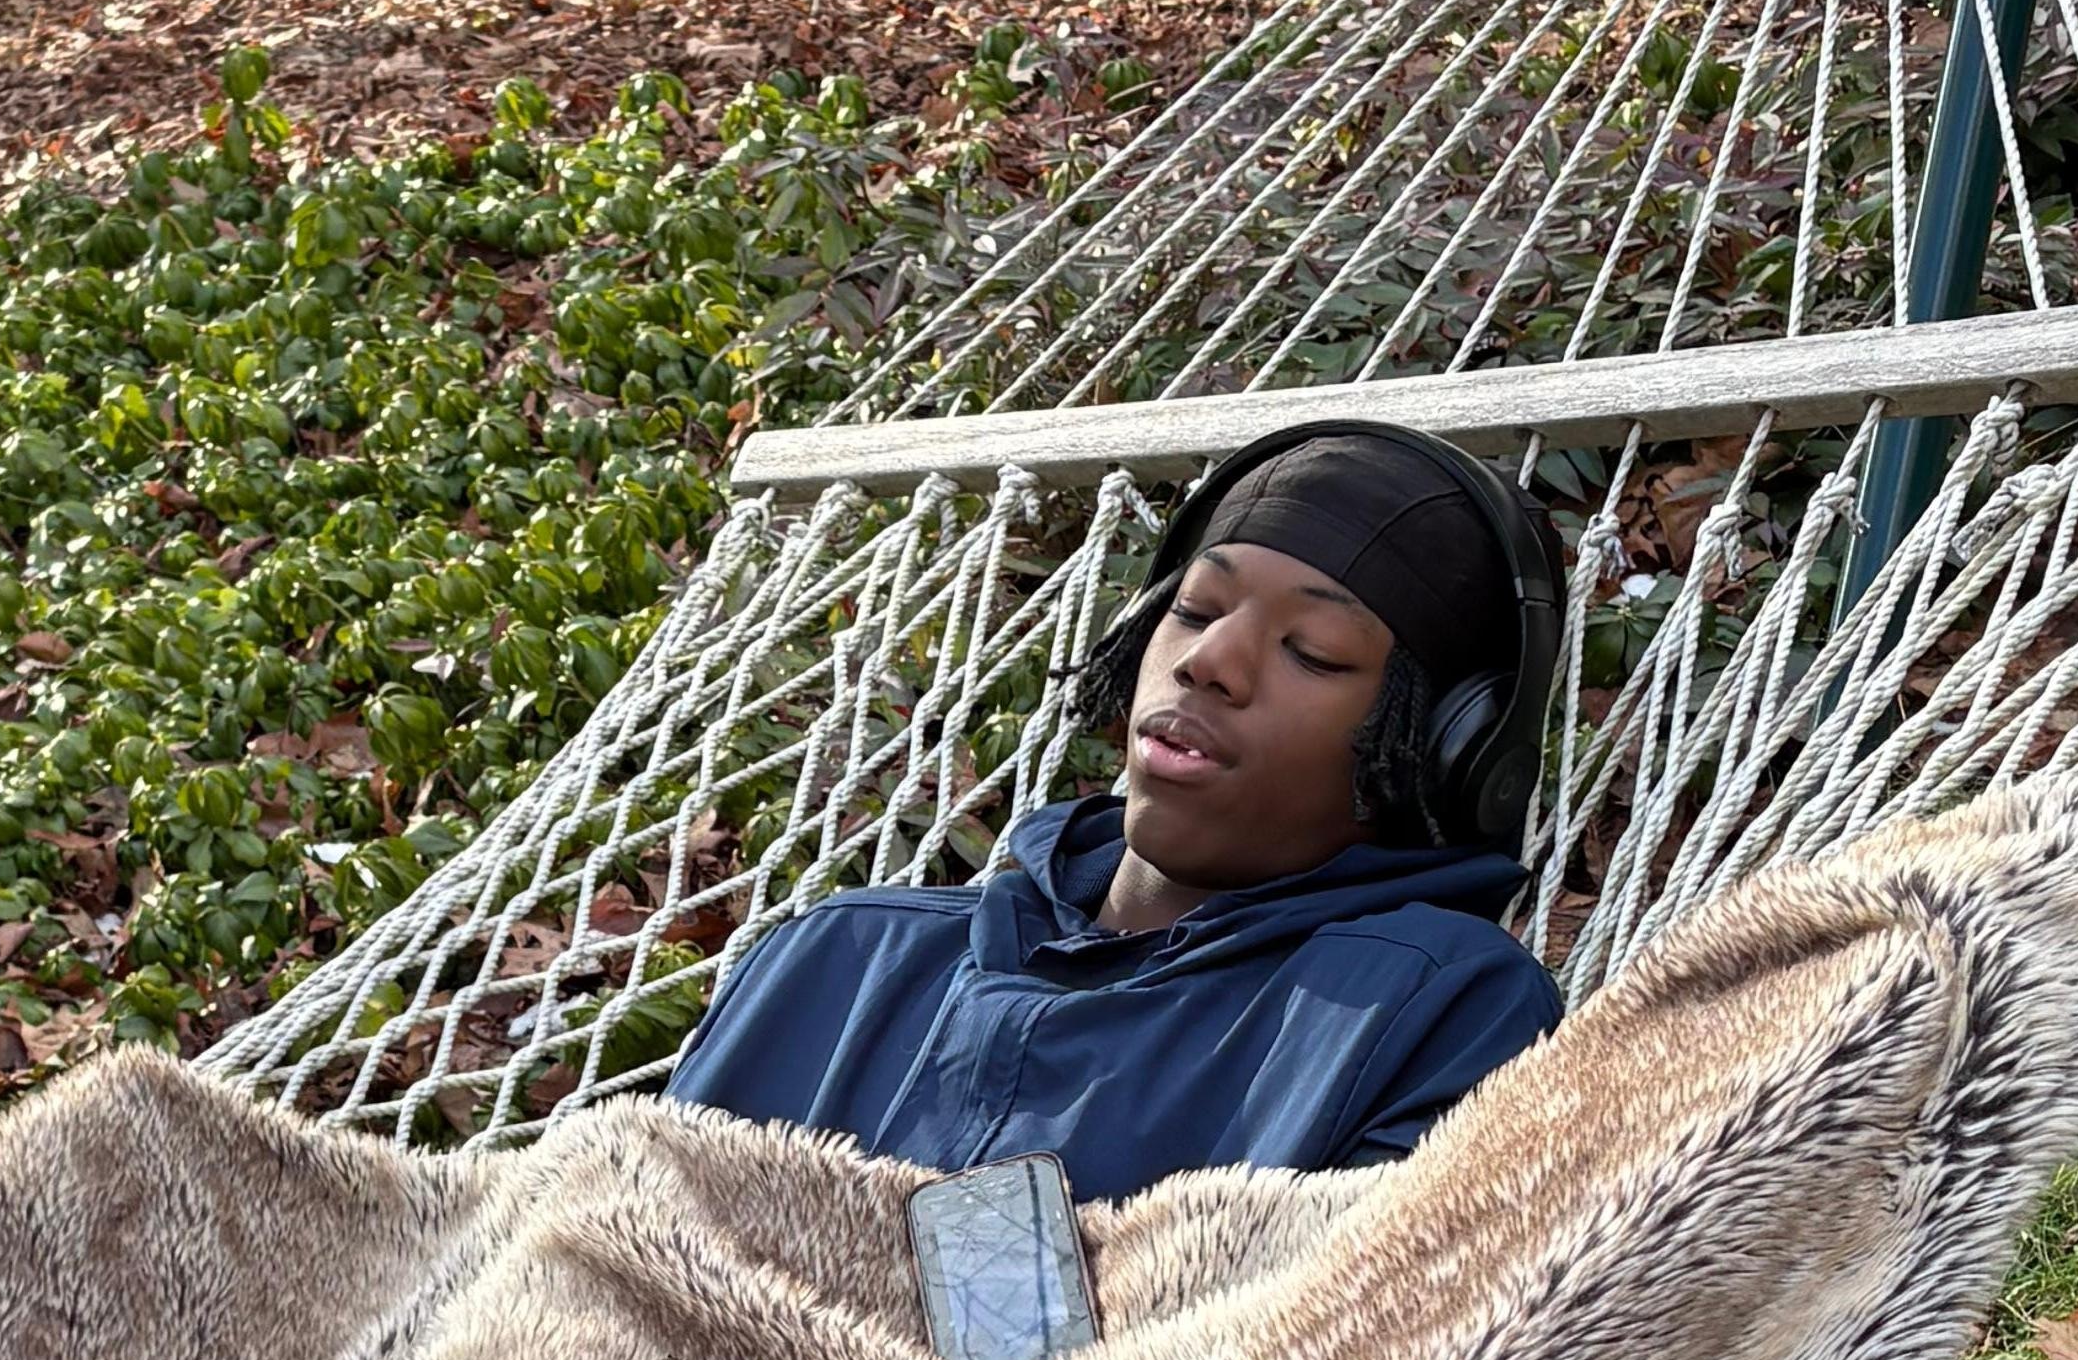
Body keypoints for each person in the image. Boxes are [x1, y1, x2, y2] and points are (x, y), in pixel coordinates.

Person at [663, 421, 1566, 1206]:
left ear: (1448, 750)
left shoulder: (1438, 1005)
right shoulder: (843, 955)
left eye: (1314, 652)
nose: (1209, 660)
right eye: (1194, 608)